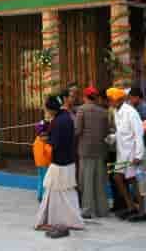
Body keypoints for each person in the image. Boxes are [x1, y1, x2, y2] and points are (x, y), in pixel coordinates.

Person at [35, 95, 84, 235]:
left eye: (46, 108)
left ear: (50, 109)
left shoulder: (58, 121)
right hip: (69, 161)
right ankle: (70, 220)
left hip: (60, 163)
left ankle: (51, 220)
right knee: (66, 193)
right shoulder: (66, 117)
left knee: (55, 191)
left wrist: (44, 139)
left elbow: (54, 143)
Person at [107, 87, 146, 222]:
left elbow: (138, 134)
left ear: (119, 100)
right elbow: (122, 132)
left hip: (132, 153)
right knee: (117, 177)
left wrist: (138, 155)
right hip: (121, 152)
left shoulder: (131, 112)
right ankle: (131, 207)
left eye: (111, 100)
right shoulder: (115, 111)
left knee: (134, 181)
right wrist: (112, 137)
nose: (109, 102)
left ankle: (142, 212)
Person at [75, 86, 109, 219]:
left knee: (87, 181)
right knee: (99, 181)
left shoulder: (81, 110)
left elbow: (77, 130)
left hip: (86, 150)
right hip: (100, 150)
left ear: (85, 97)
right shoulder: (103, 111)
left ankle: (87, 210)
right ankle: (102, 209)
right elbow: (106, 132)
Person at [33, 116, 52, 203]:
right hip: (45, 163)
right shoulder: (45, 142)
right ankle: (44, 196)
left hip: (38, 163)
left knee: (40, 179)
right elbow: (49, 152)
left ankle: (40, 196)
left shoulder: (36, 141)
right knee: (45, 180)